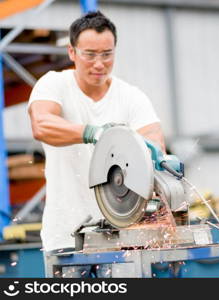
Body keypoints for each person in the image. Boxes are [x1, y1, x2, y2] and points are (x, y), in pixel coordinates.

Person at [28, 11, 165, 277]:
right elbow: (41, 124)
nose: (99, 63)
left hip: (121, 237)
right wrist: (93, 133)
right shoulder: (54, 84)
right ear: (72, 52)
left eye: (107, 54)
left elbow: (155, 142)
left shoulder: (130, 96)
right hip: (65, 237)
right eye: (90, 54)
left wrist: (154, 155)